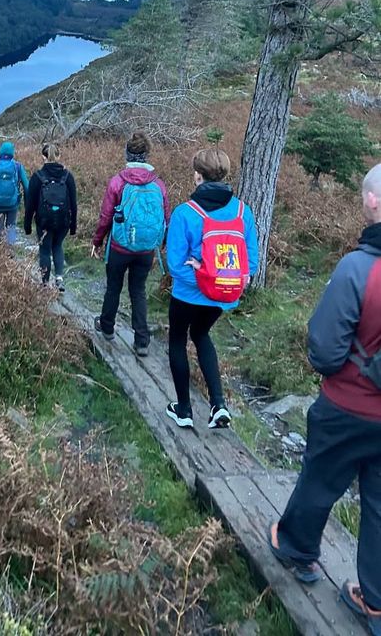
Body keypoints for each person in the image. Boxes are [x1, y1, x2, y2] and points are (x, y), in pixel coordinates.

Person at [267, 163, 381, 633]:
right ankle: (374, 602)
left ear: (373, 201)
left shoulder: (358, 268)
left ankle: (297, 550)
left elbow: (324, 348)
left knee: (320, 479)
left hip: (348, 406)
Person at [165, 147, 258, 430]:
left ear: (197, 176)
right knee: (202, 334)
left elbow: (175, 265)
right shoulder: (243, 212)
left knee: (178, 341)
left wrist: (201, 277)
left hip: (186, 295)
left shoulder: (185, 213)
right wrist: (219, 280)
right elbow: (250, 265)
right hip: (221, 297)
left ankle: (183, 409)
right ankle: (218, 404)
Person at [91, 132, 170, 356]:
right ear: (147, 154)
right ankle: (142, 341)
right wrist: (162, 242)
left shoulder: (118, 182)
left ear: (127, 153)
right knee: (138, 290)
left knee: (113, 287)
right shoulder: (159, 185)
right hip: (146, 249)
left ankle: (107, 328)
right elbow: (166, 217)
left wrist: (97, 241)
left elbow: (106, 217)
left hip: (119, 247)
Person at [24, 143, 77, 291]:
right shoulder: (68, 176)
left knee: (45, 250)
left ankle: (45, 284)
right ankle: (59, 279)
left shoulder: (37, 177)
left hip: (44, 221)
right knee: (58, 246)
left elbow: (30, 204)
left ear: (43, 157)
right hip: (63, 221)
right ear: (59, 156)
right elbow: (73, 203)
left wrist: (27, 225)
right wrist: (73, 226)